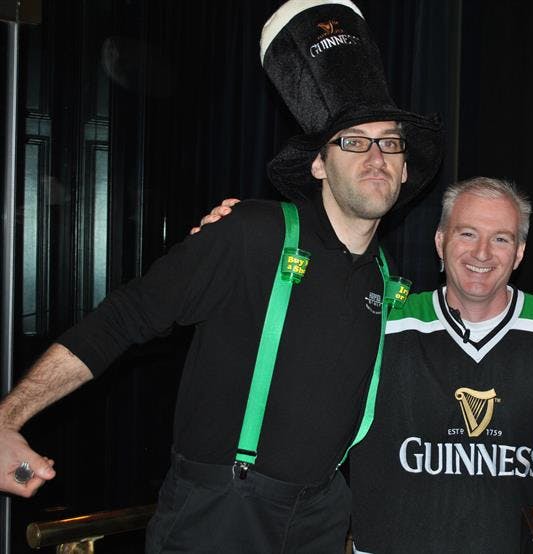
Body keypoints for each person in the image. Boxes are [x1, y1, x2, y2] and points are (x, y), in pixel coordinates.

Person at [0, 1, 442, 552]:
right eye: (353, 141)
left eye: (390, 142)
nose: (376, 155)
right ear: (319, 164)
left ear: (404, 168)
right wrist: (7, 419)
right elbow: (122, 319)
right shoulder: (251, 233)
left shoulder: (385, 277)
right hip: (221, 515)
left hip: (323, 515)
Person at [195, 177, 533, 553]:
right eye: (467, 233)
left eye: (501, 238)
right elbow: (285, 323)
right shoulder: (379, 320)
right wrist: (242, 241)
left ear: (520, 252)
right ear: (439, 241)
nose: (483, 252)